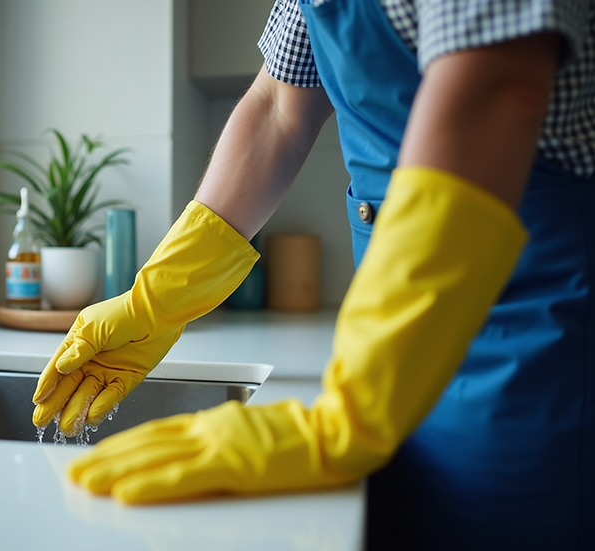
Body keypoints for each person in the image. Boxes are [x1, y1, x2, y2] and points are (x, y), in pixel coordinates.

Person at [31, 0, 595, 548]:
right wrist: (155, 302)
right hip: (394, 329)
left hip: (528, 319)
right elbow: (280, 106)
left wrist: (351, 415)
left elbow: (494, 89)